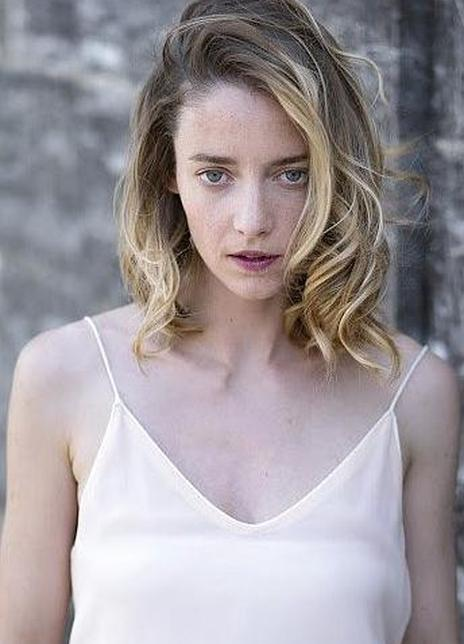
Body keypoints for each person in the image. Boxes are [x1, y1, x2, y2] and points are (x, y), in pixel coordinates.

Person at [0, 0, 461, 642]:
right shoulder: (63, 378)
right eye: (215, 174)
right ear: (168, 172)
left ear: (333, 175)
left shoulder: (414, 395)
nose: (252, 220)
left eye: (291, 175)